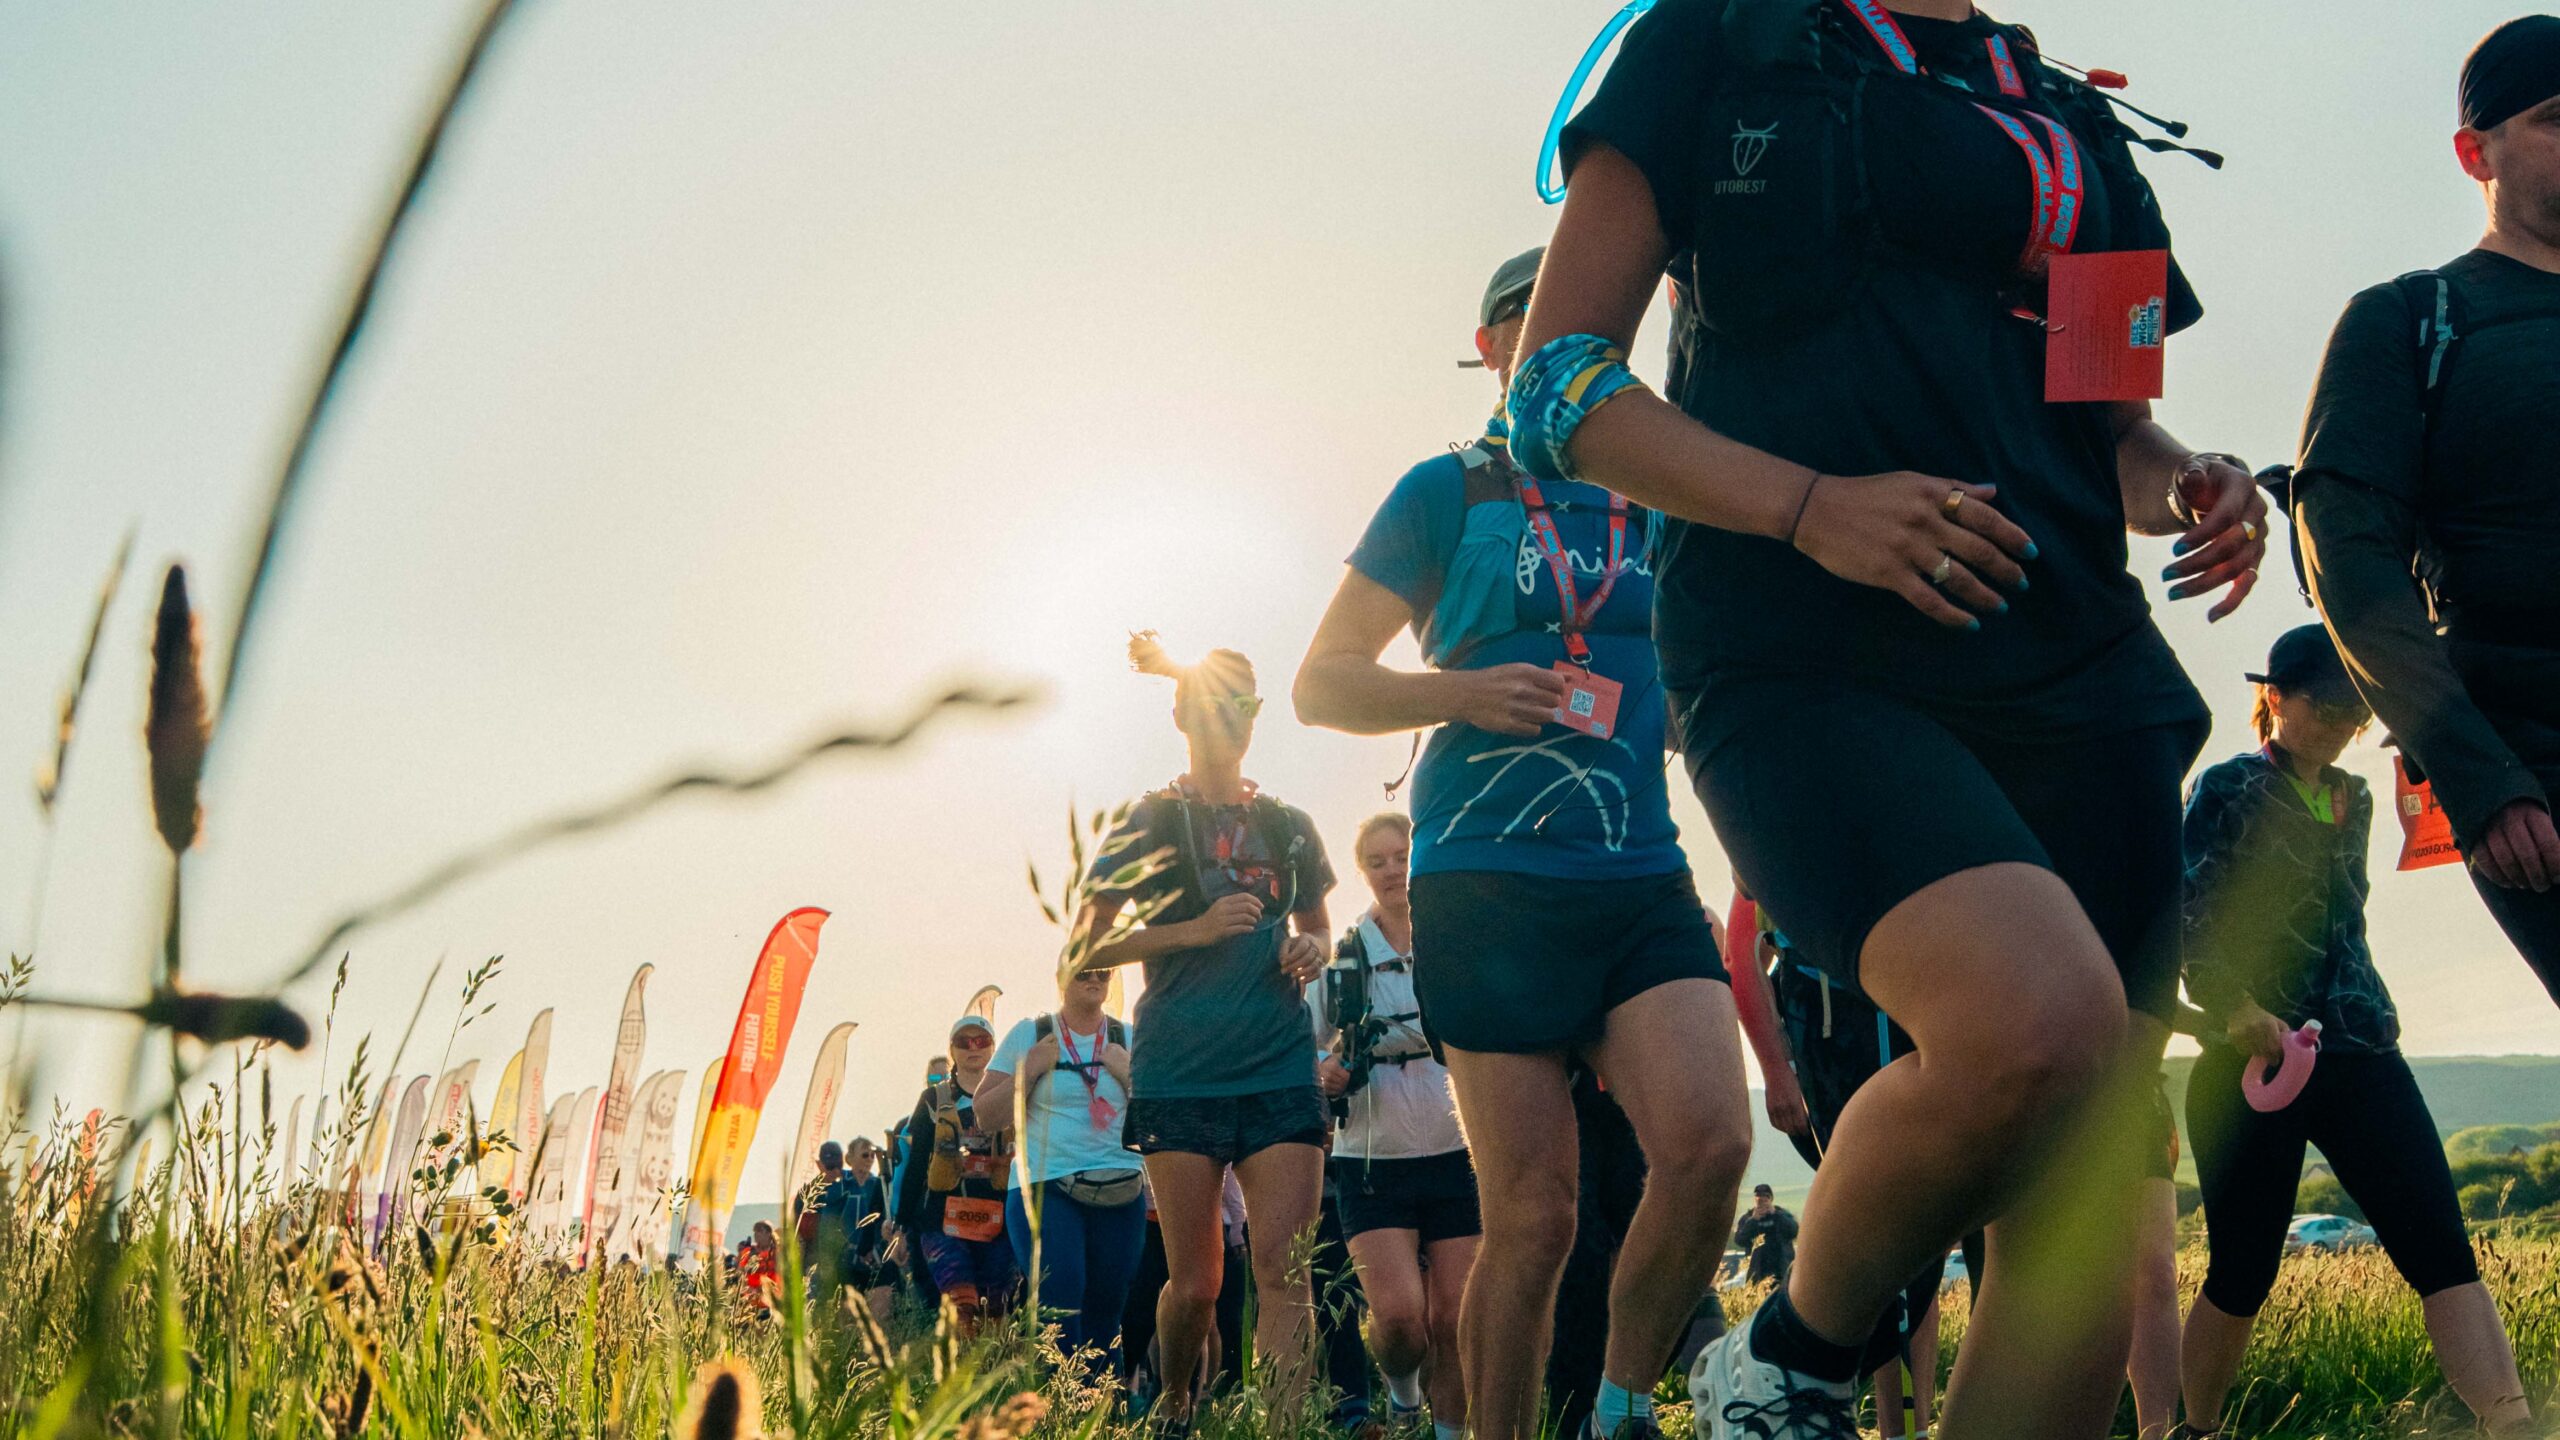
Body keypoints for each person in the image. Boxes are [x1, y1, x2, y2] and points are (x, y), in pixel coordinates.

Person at [1520, 0, 2277, 1431]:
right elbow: (1557, 388)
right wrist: (1809, 510)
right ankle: (1793, 1364)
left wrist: (2189, 483)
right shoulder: (1714, 40)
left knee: (2080, 1208)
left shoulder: (2065, 110)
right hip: (1802, 650)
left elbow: (2109, 423)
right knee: (2034, 1022)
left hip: (2074, 666)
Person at [1296, 246, 1751, 1440]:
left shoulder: (1666, 490)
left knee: (1710, 1145)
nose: (1562, 339)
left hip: (1638, 862)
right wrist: (1460, 691)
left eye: (1595, 323)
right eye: (1527, 322)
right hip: (1487, 877)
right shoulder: (1443, 492)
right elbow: (1321, 684)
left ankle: (1618, 1407)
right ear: (1494, 349)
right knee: (1536, 1217)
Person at [2174, 626, 2534, 1436]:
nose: (2343, 722)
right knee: (2243, 1269)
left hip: (2361, 1045)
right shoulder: (2227, 789)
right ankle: (2192, 1430)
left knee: (2439, 1244)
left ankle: (2513, 1424)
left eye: (2355, 708)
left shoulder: (2359, 798)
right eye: (2326, 704)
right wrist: (2234, 1009)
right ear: (2276, 697)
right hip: (2252, 1059)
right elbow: (2188, 909)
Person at [2295, 15, 2560, 1011]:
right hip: (2533, 769)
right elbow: (2347, 557)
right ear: (2472, 151)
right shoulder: (2412, 320)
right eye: (2556, 119)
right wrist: (2478, 776)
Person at [1074, 635, 1337, 1435]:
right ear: (1183, 715)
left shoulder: (1289, 824)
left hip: (1279, 1068)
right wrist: (1191, 930)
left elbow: (1321, 924)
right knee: (1197, 1284)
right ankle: (1176, 1400)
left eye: (1245, 706)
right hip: (1181, 1074)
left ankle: (1282, 1427)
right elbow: (1085, 946)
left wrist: (1309, 947)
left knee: (1286, 1278)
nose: (1233, 718)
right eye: (1217, 704)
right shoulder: (1148, 821)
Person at [1312, 812, 1480, 1440]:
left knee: (1455, 1318)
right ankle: (1402, 1395)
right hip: (1372, 1158)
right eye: (1378, 861)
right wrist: (1326, 1068)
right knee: (1403, 1320)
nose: (1393, 871)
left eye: (1401, 856)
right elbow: (1308, 1045)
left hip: (1457, 1150)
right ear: (1363, 871)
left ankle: (1448, 1432)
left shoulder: (1455, 936)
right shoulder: (1346, 957)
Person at [977, 965, 1147, 1380]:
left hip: (1119, 1187)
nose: (1095, 979)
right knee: (1060, 1303)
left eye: (1105, 972)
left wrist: (1128, 1075)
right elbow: (985, 1116)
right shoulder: (1030, 1034)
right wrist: (1030, 1069)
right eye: (1085, 970)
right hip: (1044, 1185)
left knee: (1107, 1312)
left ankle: (1102, 1416)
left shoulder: (1129, 1036)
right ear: (1062, 976)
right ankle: (1059, 1412)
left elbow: (1165, 1118)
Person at [894, 1016, 1019, 1336]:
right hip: (943, 1221)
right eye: (965, 1042)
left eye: (982, 1041)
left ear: (994, 1048)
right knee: (960, 1309)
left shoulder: (1012, 1096)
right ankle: (958, 1380)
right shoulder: (934, 1100)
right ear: (952, 1050)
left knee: (996, 1312)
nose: (973, 1048)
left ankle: (994, 1381)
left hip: (999, 1221)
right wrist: (903, 1224)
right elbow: (916, 1160)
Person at [1732, 1187, 1796, 1289]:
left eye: (1765, 1198)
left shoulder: (1781, 1214)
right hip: (1757, 1270)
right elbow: (1739, 1240)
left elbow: (1793, 1231)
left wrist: (1776, 1214)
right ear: (1755, 1200)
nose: (1762, 1202)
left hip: (1782, 1268)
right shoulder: (1747, 1218)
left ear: (1771, 1199)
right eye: (1759, 1198)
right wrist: (1753, 1220)